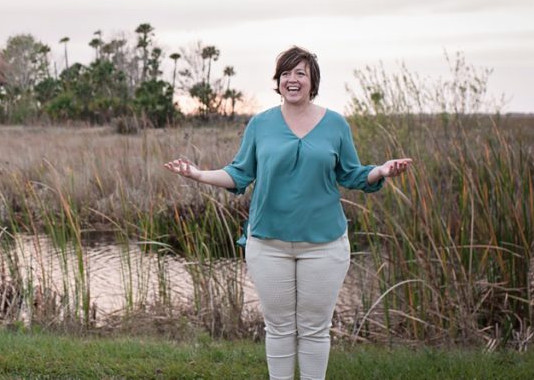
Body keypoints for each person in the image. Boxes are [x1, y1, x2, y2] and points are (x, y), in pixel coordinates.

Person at [164, 46, 411, 380]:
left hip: (324, 245)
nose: (292, 80)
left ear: (312, 82)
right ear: (278, 81)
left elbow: (352, 174)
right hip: (268, 243)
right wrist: (198, 174)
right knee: (278, 328)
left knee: (314, 330)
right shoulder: (261, 125)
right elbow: (239, 174)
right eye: (285, 74)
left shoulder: (335, 124)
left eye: (300, 73)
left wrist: (380, 171)